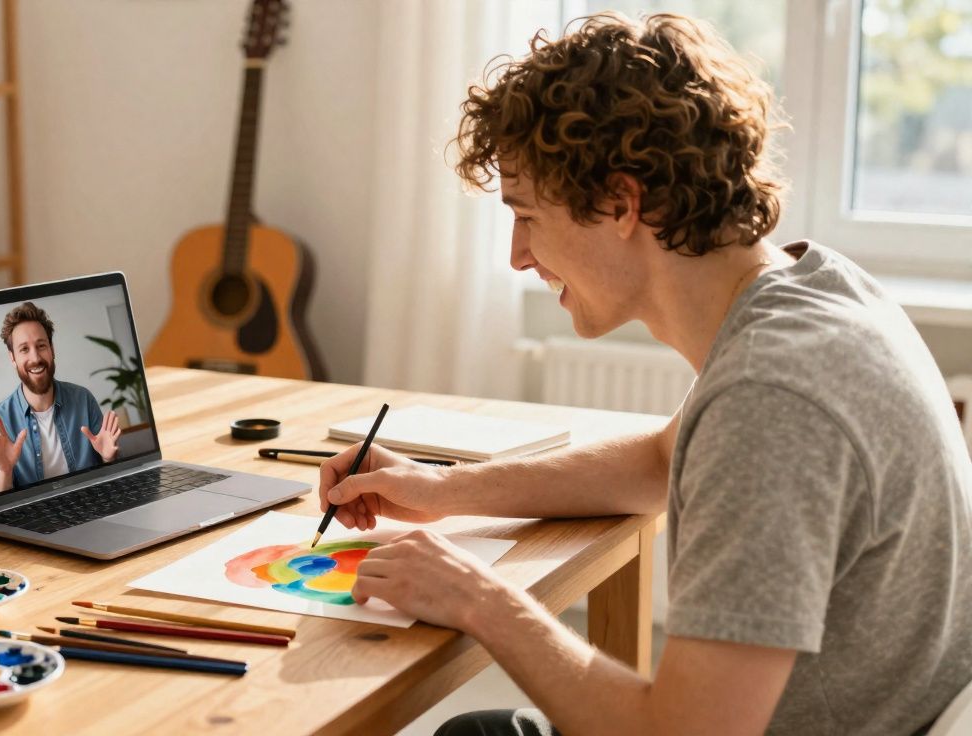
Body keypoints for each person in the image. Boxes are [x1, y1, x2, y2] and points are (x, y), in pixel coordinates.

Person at [318, 13, 972, 735]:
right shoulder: (816, 291)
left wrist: (481, 599)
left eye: (527, 216)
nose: (516, 256)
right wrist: (444, 489)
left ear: (621, 204)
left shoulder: (771, 398)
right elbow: (663, 458)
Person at [0, 301, 121, 494]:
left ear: (52, 349)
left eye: (41, 345)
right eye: (24, 349)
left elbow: (114, 478)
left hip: (90, 504)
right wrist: (4, 471)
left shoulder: (83, 399)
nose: (35, 358)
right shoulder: (0, 417)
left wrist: (108, 458)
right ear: (12, 358)